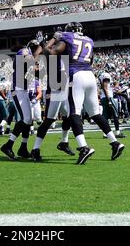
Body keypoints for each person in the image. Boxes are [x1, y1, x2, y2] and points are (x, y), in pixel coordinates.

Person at [35, 22, 125, 164]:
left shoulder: (67, 38)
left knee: (74, 113)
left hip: (75, 75)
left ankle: (83, 147)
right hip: (90, 75)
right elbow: (92, 59)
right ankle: (115, 142)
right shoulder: (88, 40)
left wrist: (46, 41)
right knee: (95, 113)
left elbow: (50, 53)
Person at [30, 30, 74, 162]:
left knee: (69, 117)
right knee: (49, 120)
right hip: (54, 87)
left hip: (63, 86)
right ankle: (35, 149)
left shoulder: (61, 50)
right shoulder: (51, 51)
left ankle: (64, 142)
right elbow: (37, 59)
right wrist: (42, 44)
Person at [99, 70, 126, 139]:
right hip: (108, 98)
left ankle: (105, 134)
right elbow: (105, 89)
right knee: (115, 115)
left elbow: (108, 90)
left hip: (104, 98)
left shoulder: (103, 82)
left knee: (105, 117)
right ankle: (117, 132)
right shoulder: (105, 80)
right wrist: (109, 100)